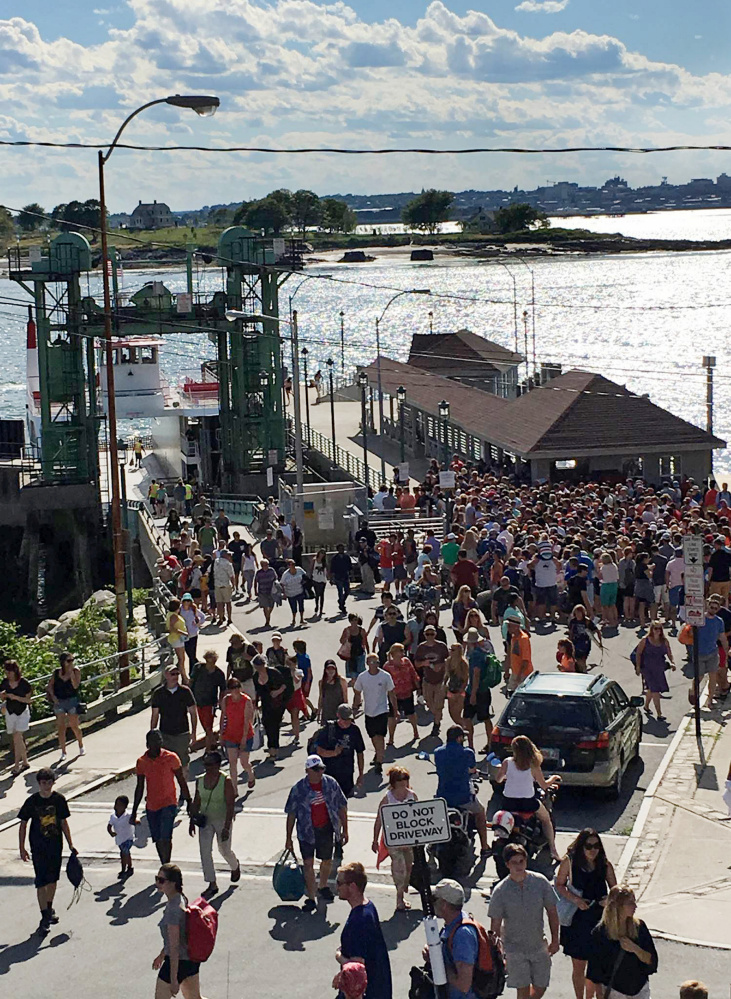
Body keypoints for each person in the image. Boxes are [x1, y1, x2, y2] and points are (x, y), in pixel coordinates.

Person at [489, 843, 560, 999]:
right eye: (514, 862)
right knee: (523, 989)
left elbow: (552, 912)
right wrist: (498, 953)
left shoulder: (540, 882)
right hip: (514, 950)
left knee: (541, 986)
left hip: (538, 946)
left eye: (521, 861)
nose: (518, 866)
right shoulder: (501, 891)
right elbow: (495, 925)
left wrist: (555, 940)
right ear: (507, 865)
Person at [555, 829, 617, 999]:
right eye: (588, 846)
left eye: (596, 846)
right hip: (577, 919)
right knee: (579, 966)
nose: (592, 850)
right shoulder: (570, 862)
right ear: (581, 846)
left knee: (597, 966)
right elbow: (559, 885)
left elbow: (615, 890)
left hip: (599, 919)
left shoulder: (605, 865)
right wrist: (576, 900)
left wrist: (608, 901)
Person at [285, 755, 349, 910]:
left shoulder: (331, 784)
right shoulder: (299, 788)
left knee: (327, 860)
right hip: (306, 831)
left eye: (321, 769)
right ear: (307, 770)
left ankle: (323, 885)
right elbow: (291, 814)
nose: (319, 772)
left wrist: (345, 829)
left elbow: (341, 805)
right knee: (308, 864)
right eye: (315, 769)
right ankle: (312, 897)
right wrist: (288, 838)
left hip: (326, 829)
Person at [18, 767, 76, 933]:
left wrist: (71, 844)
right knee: (41, 882)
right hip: (38, 848)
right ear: (39, 783)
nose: (46, 786)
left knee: (52, 881)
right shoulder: (32, 801)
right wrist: (22, 848)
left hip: (55, 847)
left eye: (49, 783)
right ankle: (44, 916)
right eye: (43, 783)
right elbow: (23, 824)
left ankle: (49, 908)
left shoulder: (59, 800)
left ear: (53, 783)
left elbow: (64, 823)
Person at [495, 735, 561, 860]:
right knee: (546, 819)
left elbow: (498, 779)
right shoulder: (533, 765)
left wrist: (506, 776)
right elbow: (544, 785)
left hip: (508, 803)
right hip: (527, 803)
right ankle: (553, 850)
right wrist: (553, 778)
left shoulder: (507, 762)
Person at [587, 885, 658, 999]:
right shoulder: (600, 933)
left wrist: (635, 949)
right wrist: (596, 994)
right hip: (615, 991)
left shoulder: (639, 927)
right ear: (617, 907)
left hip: (639, 989)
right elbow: (594, 970)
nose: (635, 906)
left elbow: (652, 961)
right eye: (630, 903)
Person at [132, 730, 192, 864]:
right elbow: (140, 787)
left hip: (169, 803)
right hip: (152, 806)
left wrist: (189, 801)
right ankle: (164, 864)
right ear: (147, 744)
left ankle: (167, 865)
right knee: (158, 839)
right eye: (153, 741)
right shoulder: (142, 762)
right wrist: (134, 811)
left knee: (166, 837)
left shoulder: (171, 758)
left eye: (159, 740)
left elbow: (181, 780)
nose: (156, 744)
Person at [335, 861, 392, 999]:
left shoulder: (358, 920)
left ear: (352, 886)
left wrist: (338, 956)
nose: (336, 887)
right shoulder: (369, 908)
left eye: (339, 883)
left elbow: (356, 970)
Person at [189, 749, 241, 896]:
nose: (207, 768)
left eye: (210, 764)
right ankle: (212, 883)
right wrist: (192, 820)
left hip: (222, 819)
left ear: (218, 765)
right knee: (205, 851)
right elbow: (197, 801)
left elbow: (230, 805)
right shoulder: (199, 780)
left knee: (224, 849)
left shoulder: (226, 781)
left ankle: (234, 865)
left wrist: (226, 827)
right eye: (205, 764)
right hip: (205, 820)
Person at [152, 863, 207, 999]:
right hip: (191, 959)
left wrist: (174, 979)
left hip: (178, 962)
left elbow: (175, 946)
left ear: (172, 883)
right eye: (156, 878)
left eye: (161, 880)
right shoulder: (181, 899)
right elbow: (178, 938)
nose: (157, 883)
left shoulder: (173, 909)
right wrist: (162, 954)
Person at [434, 725, 490, 856]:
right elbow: (472, 768)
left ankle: (433, 846)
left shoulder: (438, 752)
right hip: (462, 797)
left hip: (443, 796)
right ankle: (485, 847)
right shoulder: (467, 752)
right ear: (459, 738)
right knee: (480, 812)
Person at [372, 767, 418, 912]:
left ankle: (403, 888)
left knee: (409, 866)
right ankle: (399, 899)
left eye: (405, 778)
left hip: (409, 840)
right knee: (399, 868)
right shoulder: (387, 798)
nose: (403, 782)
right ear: (394, 781)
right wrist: (374, 840)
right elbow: (379, 819)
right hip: (393, 840)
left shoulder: (412, 795)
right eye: (400, 779)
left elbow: (419, 817)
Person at [429, 879, 480, 999]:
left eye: (435, 900)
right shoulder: (455, 923)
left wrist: (437, 964)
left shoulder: (462, 935)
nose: (432, 904)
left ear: (444, 905)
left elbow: (464, 984)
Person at [151, 664, 198, 781]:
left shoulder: (185, 691)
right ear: (166, 675)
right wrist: (152, 733)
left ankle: (184, 788)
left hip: (182, 733)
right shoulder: (158, 693)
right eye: (173, 674)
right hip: (165, 734)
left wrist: (193, 732)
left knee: (183, 762)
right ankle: (170, 789)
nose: (175, 676)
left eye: (177, 674)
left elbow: (193, 712)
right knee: (166, 763)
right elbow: (155, 715)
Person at [354, 654, 397, 775]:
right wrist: (355, 706)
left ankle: (379, 762)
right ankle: (378, 753)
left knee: (380, 736)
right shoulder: (362, 677)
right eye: (372, 662)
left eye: (377, 662)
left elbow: (392, 693)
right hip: (369, 712)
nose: (375, 665)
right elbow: (357, 691)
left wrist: (395, 709)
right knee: (373, 736)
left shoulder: (385, 676)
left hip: (382, 711)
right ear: (367, 663)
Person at [314, 703, 366, 797]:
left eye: (348, 719)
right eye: (344, 719)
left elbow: (360, 752)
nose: (346, 722)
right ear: (338, 715)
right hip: (329, 774)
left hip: (347, 774)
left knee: (344, 802)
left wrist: (361, 774)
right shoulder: (329, 729)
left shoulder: (354, 730)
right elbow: (319, 751)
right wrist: (334, 753)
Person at [689, 599, 728, 707]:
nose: (713, 610)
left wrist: (726, 651)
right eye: (712, 607)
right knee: (699, 676)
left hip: (712, 652)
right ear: (707, 607)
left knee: (713, 676)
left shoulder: (719, 621)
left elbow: (722, 637)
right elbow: (692, 633)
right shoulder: (700, 619)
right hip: (699, 652)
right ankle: (693, 691)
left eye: (716, 608)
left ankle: (709, 700)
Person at [253, 653, 293, 760]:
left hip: (278, 703)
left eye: (260, 666)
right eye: (256, 666)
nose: (258, 668)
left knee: (274, 726)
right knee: (266, 724)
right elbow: (257, 691)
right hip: (266, 703)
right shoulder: (255, 677)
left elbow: (285, 685)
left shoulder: (274, 673)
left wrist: (277, 692)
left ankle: (273, 750)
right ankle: (272, 747)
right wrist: (256, 703)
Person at [47, 651, 84, 762]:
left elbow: (75, 685)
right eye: (69, 661)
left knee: (74, 725)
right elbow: (49, 686)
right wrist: (53, 697)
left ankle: (81, 744)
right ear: (63, 662)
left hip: (72, 700)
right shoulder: (56, 673)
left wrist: (71, 674)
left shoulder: (76, 671)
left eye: (72, 660)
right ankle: (63, 751)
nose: (71, 663)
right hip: (60, 701)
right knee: (61, 727)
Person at [220, 677, 256, 789]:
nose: (235, 690)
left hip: (245, 734)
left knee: (244, 762)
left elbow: (247, 721)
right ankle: (234, 789)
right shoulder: (226, 700)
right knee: (232, 763)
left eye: (237, 687)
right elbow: (223, 717)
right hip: (230, 735)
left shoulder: (246, 700)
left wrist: (244, 738)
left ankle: (250, 775)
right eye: (233, 687)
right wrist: (221, 734)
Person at [463, 629, 496, 750]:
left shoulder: (475, 655)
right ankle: (490, 743)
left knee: (468, 718)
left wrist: (473, 694)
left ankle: (471, 746)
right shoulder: (483, 652)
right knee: (485, 718)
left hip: (476, 691)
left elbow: (476, 674)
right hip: (484, 690)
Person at [635, 623, 675, 721]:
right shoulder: (645, 640)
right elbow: (639, 653)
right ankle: (659, 714)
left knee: (651, 689)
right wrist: (638, 666)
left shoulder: (664, 641)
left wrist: (672, 662)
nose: (657, 630)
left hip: (659, 668)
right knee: (655, 690)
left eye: (659, 629)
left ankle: (646, 706)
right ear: (651, 629)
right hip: (647, 668)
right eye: (655, 628)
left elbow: (669, 653)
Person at [415, 624, 450, 736]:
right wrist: (423, 663)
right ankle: (437, 716)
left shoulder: (441, 646)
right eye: (427, 634)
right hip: (427, 680)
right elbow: (416, 663)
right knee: (429, 703)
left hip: (440, 680)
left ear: (435, 634)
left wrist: (441, 666)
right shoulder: (421, 648)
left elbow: (449, 660)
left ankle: (436, 724)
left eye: (432, 634)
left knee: (439, 704)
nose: (430, 636)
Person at [383, 643, 420, 743]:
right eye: (401, 650)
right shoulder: (387, 666)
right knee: (392, 717)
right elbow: (384, 681)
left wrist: (418, 686)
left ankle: (415, 731)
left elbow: (413, 673)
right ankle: (391, 738)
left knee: (411, 714)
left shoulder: (406, 661)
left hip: (407, 692)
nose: (403, 652)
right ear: (394, 653)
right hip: (394, 695)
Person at [190, 650, 226, 752]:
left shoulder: (219, 674)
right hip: (198, 701)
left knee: (208, 726)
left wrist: (220, 701)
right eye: (208, 661)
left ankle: (208, 750)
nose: (210, 664)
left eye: (212, 662)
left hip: (210, 703)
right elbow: (191, 682)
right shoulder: (198, 668)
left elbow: (223, 689)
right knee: (205, 725)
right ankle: (213, 742)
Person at [1, 659, 32, 774]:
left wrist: (16, 697)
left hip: (22, 711)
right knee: (17, 738)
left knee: (17, 736)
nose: (7, 674)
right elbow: (3, 697)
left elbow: (29, 700)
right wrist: (3, 696)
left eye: (9, 672)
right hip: (10, 711)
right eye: (6, 672)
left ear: (15, 671)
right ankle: (25, 761)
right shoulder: (4, 682)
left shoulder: (24, 683)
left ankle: (16, 765)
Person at [107, 793, 136, 879]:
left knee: (124, 853)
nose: (117, 807)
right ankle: (130, 867)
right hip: (120, 839)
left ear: (125, 807)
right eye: (116, 804)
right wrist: (111, 832)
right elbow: (109, 826)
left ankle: (124, 870)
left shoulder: (128, 815)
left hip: (128, 838)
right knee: (125, 854)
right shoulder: (113, 816)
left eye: (120, 805)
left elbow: (134, 820)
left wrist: (136, 822)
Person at [568, 605, 601, 673]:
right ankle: (582, 670)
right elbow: (571, 632)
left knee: (583, 658)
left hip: (585, 643)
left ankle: (583, 669)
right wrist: (569, 641)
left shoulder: (587, 621)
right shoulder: (573, 622)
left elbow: (597, 631)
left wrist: (600, 642)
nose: (578, 615)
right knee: (577, 657)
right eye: (577, 613)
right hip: (576, 641)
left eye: (580, 613)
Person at [180, 594, 206, 674]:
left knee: (192, 654)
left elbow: (203, 617)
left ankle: (192, 672)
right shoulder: (180, 610)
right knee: (189, 654)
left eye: (189, 601)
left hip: (193, 634)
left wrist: (198, 624)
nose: (187, 603)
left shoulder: (193, 609)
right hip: (184, 635)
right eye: (185, 601)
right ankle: (200, 667)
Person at [505, 619, 534, 692]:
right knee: (511, 693)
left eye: (510, 626)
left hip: (523, 674)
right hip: (515, 672)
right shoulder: (513, 638)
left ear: (516, 627)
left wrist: (519, 675)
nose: (508, 628)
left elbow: (525, 660)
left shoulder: (523, 639)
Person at [165, 599, 189, 681]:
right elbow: (172, 628)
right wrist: (183, 633)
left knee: (181, 659)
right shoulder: (174, 616)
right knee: (181, 659)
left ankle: (184, 676)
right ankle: (184, 678)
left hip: (177, 639)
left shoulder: (171, 614)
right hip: (176, 639)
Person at [281, 558, 307, 627]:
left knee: (301, 606)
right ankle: (293, 619)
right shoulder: (285, 574)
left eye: (294, 564)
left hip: (299, 591)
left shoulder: (299, 570)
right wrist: (284, 593)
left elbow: (305, 576)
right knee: (293, 608)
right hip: (290, 593)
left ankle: (302, 619)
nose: (293, 565)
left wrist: (304, 582)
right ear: (288, 566)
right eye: (291, 564)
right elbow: (282, 584)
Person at [211, 550, 235, 626]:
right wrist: (234, 585)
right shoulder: (228, 564)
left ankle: (220, 618)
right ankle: (229, 618)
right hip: (226, 585)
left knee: (219, 603)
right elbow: (231, 576)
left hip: (217, 585)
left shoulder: (215, 562)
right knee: (228, 602)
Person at [254, 558, 278, 628]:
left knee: (271, 605)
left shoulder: (271, 570)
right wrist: (255, 590)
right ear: (262, 565)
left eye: (267, 564)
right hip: (262, 591)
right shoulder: (259, 572)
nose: (266, 566)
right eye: (265, 565)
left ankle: (268, 615)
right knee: (265, 606)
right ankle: (267, 620)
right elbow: (256, 581)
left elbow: (275, 579)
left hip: (271, 591)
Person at [330, 543, 352, 615]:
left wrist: (350, 574)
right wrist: (331, 578)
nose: (341, 550)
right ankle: (342, 606)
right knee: (340, 592)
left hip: (345, 576)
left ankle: (341, 601)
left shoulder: (347, 557)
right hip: (338, 577)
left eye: (342, 548)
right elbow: (332, 569)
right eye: (340, 549)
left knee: (347, 591)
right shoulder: (335, 558)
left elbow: (350, 566)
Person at [312, 548, 329, 616]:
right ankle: (317, 606)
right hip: (315, 579)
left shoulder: (324, 561)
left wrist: (329, 577)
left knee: (322, 594)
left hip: (322, 579)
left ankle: (321, 609)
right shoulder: (314, 560)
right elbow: (311, 568)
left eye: (323, 553)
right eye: (321, 553)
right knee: (317, 594)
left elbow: (327, 570)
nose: (322, 554)